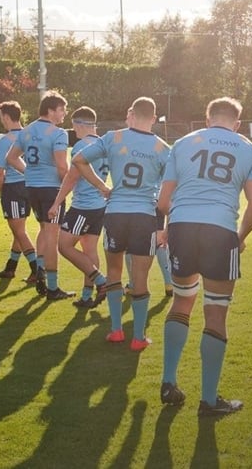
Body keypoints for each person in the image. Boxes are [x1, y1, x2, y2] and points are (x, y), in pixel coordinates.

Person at [157, 97, 252, 416]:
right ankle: (208, 399)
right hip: (220, 230)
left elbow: (164, 200)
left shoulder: (182, 143)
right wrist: (240, 237)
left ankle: (168, 381)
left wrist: (166, 227)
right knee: (215, 311)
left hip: (181, 227)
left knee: (182, 300)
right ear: (237, 123)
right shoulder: (249, 148)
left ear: (207, 120)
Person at [72, 97, 170, 351]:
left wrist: (102, 186)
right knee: (140, 278)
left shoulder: (113, 137)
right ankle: (138, 337)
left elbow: (79, 160)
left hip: (115, 213)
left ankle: (116, 330)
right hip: (144, 217)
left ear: (132, 114)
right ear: (154, 116)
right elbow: (169, 190)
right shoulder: (162, 148)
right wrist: (164, 224)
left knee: (114, 272)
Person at [6, 91, 71, 297]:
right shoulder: (58, 133)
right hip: (51, 189)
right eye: (61, 109)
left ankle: (40, 273)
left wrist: (30, 173)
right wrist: (67, 185)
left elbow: (11, 157)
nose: (64, 113)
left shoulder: (26, 131)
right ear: (51, 110)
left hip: (32, 188)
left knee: (44, 229)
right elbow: (62, 166)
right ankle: (52, 286)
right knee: (52, 235)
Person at [49, 106, 111, 309]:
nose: (73, 130)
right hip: (99, 206)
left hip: (83, 206)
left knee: (64, 246)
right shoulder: (103, 144)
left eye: (73, 126)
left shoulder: (81, 147)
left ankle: (101, 282)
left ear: (78, 124)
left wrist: (57, 203)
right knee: (89, 248)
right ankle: (87, 296)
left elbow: (71, 178)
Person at [0, 101, 39, 281]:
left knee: (19, 231)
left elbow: (1, 172)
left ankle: (36, 269)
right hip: (31, 186)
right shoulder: (31, 136)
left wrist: (1, 192)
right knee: (19, 229)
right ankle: (10, 268)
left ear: (5, 117)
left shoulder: (6, 141)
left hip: (13, 187)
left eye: (1, 117)